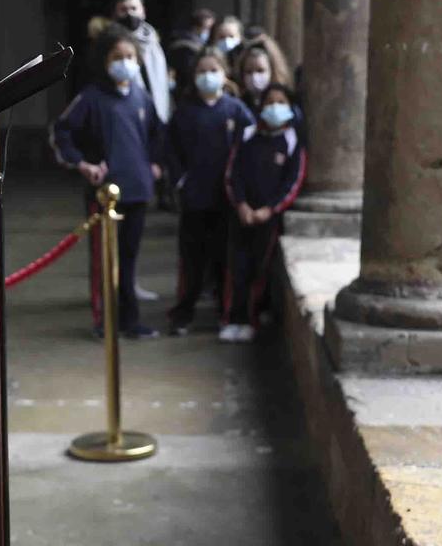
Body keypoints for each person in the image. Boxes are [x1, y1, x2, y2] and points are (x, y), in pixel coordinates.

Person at [53, 26, 166, 339]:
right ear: (104, 61)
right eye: (118, 57)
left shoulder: (142, 97)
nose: (125, 62)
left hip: (138, 190)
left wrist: (155, 165)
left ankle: (130, 320)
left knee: (129, 260)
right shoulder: (91, 98)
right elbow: (63, 131)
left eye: (130, 56)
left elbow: (157, 135)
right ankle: (105, 320)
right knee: (105, 261)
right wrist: (82, 163)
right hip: (105, 193)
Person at [162, 48, 253, 335]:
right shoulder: (185, 112)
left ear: (224, 74)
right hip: (194, 198)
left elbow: (251, 145)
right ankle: (184, 311)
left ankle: (222, 312)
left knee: (223, 258)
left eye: (213, 70)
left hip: (226, 198)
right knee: (191, 258)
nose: (208, 76)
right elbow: (170, 149)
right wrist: (179, 180)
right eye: (202, 71)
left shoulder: (236, 110)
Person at [221, 83, 307, 342]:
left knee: (259, 270)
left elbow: (292, 182)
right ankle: (232, 318)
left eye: (281, 102)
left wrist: (270, 209)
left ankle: (251, 319)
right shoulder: (248, 135)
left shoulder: (292, 141)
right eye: (269, 102)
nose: (274, 107)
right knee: (236, 268)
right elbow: (232, 174)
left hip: (268, 219)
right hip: (241, 215)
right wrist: (242, 205)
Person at [109, 0, 170, 123]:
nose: (129, 13)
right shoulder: (108, 45)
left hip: (158, 118)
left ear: (143, 11)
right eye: (123, 9)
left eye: (134, 8)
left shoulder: (153, 43)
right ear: (114, 14)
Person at [165, 6, 219, 99]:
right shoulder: (188, 48)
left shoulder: (183, 42)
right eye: (207, 28)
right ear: (196, 27)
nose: (209, 33)